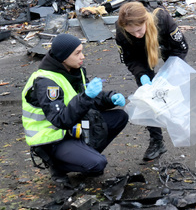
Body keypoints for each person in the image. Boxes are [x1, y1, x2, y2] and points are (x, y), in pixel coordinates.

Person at [115, 1, 196, 161]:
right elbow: (130, 59)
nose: (136, 35)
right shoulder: (122, 30)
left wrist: (170, 73)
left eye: (138, 30)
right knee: (148, 99)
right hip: (142, 56)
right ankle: (157, 142)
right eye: (132, 33)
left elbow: (181, 47)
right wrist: (142, 74)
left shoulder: (162, 18)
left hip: (169, 51)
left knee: (188, 93)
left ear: (145, 21)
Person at [22, 33, 129, 185]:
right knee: (97, 164)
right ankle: (57, 166)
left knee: (119, 117)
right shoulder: (46, 82)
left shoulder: (75, 71)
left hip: (73, 129)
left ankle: (85, 157)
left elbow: (90, 100)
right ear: (63, 57)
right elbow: (60, 119)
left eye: (82, 51)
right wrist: (86, 96)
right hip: (53, 140)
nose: (83, 56)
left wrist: (109, 98)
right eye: (77, 53)